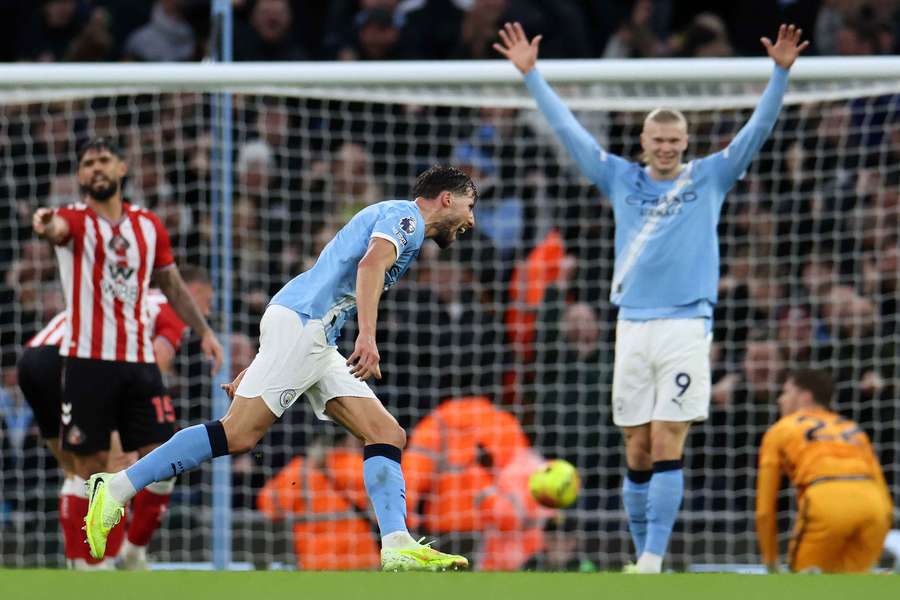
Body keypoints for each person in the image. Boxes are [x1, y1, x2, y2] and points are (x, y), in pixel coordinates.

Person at [494, 21, 808, 573]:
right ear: (644, 143)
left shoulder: (709, 177)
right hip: (632, 325)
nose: (665, 148)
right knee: (636, 446)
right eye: (656, 141)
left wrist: (779, 75)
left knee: (668, 437)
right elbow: (569, 132)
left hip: (686, 325)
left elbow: (757, 131)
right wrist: (531, 76)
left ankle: (653, 559)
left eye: (673, 141)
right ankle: (644, 557)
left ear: (685, 144)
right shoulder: (620, 178)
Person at [82, 165, 477, 571]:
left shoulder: (394, 215)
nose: (471, 219)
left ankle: (396, 543)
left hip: (312, 332)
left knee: (386, 433)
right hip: (307, 325)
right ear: (447, 199)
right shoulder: (407, 219)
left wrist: (264, 359)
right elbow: (370, 266)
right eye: (469, 206)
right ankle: (116, 487)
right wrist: (367, 336)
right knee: (237, 434)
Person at [31, 136, 223, 563]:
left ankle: (132, 552)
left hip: (138, 363)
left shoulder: (148, 225)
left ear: (122, 168)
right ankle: (90, 567)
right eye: (88, 163)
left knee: (163, 459)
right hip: (87, 363)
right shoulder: (74, 220)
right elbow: (56, 229)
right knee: (90, 469)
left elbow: (171, 282)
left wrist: (205, 331)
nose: (96, 168)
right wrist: (46, 225)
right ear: (80, 175)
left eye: (104, 160)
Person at [17, 268, 212, 569]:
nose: (207, 311)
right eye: (207, 301)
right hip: (74, 359)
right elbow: (155, 362)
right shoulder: (169, 307)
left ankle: (82, 566)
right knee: (125, 461)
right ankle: (113, 559)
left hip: (32, 359)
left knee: (76, 470)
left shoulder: (133, 299)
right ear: (192, 291)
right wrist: (126, 422)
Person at [755, 369, 893, 573]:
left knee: (804, 585)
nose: (780, 399)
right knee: (856, 584)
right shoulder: (852, 429)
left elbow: (765, 509)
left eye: (786, 392)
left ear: (805, 396)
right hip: (874, 507)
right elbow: (882, 488)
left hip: (827, 501)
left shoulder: (781, 429)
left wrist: (770, 561)